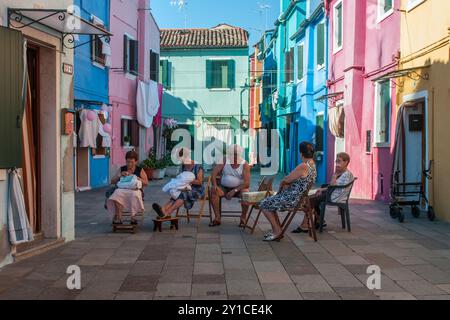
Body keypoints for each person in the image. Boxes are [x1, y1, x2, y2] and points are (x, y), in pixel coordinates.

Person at [259, 142, 317, 242]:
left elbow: (286, 179)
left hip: (292, 199)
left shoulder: (303, 166)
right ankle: (277, 230)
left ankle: (277, 231)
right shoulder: (312, 165)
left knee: (264, 204)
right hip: (300, 198)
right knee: (269, 202)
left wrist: (283, 185)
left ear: (301, 153)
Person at [293, 152, 354, 233]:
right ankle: (318, 221)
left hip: (334, 197)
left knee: (310, 200)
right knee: (311, 198)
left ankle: (306, 225)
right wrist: (322, 190)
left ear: (346, 162)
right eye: (336, 161)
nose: (337, 163)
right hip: (332, 193)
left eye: (339, 161)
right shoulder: (341, 173)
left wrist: (335, 175)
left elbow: (335, 186)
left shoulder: (347, 174)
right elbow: (333, 185)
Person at [153, 148, 205, 218]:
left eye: (182, 160)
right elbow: (181, 178)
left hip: (197, 190)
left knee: (182, 194)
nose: (182, 162)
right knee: (176, 192)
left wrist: (187, 181)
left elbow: (199, 182)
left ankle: (167, 212)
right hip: (186, 187)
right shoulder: (184, 167)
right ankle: (163, 209)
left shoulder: (197, 166)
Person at [210, 144, 251, 227]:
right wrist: (214, 185)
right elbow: (214, 173)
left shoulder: (244, 164)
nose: (232, 156)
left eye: (234, 154)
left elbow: (247, 183)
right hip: (224, 187)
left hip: (239, 188)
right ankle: (217, 218)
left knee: (246, 194)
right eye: (231, 154)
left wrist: (234, 191)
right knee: (214, 191)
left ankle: (243, 218)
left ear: (239, 155)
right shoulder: (225, 160)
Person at [108, 151, 149, 225]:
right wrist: (120, 175)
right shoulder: (122, 169)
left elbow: (146, 182)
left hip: (135, 190)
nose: (129, 164)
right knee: (116, 193)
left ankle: (133, 217)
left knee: (134, 195)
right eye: (128, 162)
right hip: (122, 189)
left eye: (132, 162)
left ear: (136, 161)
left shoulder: (139, 169)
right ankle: (119, 218)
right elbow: (112, 181)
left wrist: (137, 178)